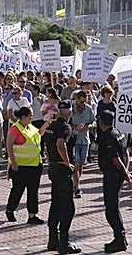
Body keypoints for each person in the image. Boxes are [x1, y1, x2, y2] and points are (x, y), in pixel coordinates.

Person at [45, 100, 80, 254]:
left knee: (56, 203)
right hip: (61, 168)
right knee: (68, 206)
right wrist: (68, 163)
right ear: (70, 112)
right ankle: (63, 242)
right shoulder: (65, 127)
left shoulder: (51, 125)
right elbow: (61, 144)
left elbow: (47, 144)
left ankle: (53, 238)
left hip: (53, 166)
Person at [5, 106, 50, 225]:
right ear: (23, 117)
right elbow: (9, 146)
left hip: (35, 165)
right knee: (17, 190)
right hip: (20, 166)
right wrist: (13, 162)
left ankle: (32, 215)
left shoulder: (30, 127)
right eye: (30, 116)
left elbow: (39, 134)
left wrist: (47, 124)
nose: (32, 118)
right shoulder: (15, 129)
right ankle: (10, 209)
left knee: (33, 191)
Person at [97, 109, 132, 253]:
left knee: (111, 210)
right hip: (116, 175)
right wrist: (126, 171)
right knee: (113, 207)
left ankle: (120, 238)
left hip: (112, 175)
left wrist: (124, 172)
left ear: (101, 122)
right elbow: (127, 153)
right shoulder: (118, 133)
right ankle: (120, 237)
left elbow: (115, 158)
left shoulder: (108, 137)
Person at [70, 90, 95, 197]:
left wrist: (87, 126)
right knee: (75, 163)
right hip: (74, 139)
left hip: (85, 139)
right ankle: (77, 187)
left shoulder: (88, 109)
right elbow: (66, 121)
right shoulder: (71, 108)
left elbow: (93, 122)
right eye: (81, 102)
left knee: (80, 164)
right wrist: (74, 126)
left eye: (84, 102)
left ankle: (75, 184)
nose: (83, 104)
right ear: (76, 99)